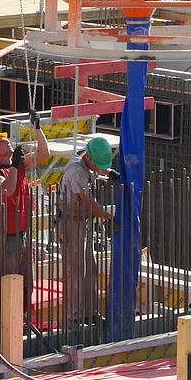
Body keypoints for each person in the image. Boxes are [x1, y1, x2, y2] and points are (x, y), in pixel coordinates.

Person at [0, 123, 49, 329]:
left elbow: (43, 154)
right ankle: (1, 325)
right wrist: (14, 166)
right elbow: (8, 190)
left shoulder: (18, 166)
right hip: (6, 236)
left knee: (26, 282)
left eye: (7, 140)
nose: (7, 143)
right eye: (1, 143)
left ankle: (22, 321)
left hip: (22, 232)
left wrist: (38, 128)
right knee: (7, 282)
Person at [58, 136, 114, 335]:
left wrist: (112, 173)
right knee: (75, 271)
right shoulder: (77, 172)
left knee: (90, 268)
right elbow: (89, 203)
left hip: (84, 222)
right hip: (73, 224)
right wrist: (108, 217)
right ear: (89, 157)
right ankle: (72, 316)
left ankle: (89, 312)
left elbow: (100, 168)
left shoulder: (87, 159)